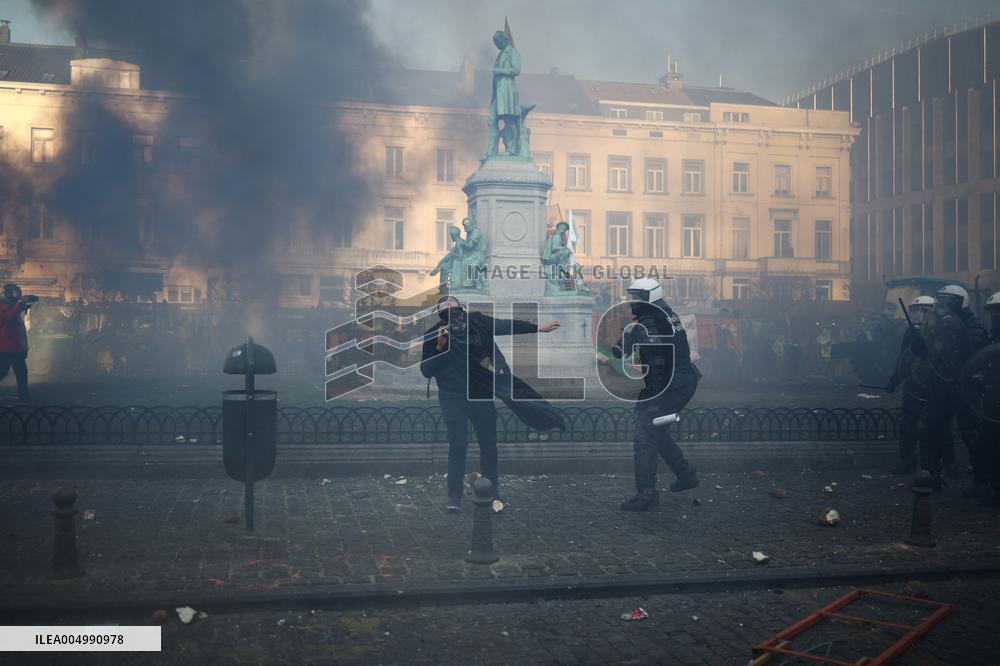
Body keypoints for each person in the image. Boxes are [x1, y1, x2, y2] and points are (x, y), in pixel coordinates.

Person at [420, 295, 561, 511]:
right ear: (440, 315)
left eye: (453, 305)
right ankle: (454, 496)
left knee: (488, 445)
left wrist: (538, 328)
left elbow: (504, 325)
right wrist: (440, 348)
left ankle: (492, 490)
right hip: (452, 397)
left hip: (480, 394)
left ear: (462, 308)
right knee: (458, 445)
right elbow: (427, 371)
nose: (450, 309)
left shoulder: (477, 323)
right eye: (444, 308)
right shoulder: (434, 334)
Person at [613, 278, 701, 511]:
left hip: (670, 385)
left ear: (649, 296)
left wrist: (652, 399)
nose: (631, 301)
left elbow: (656, 356)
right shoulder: (661, 314)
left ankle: (647, 495)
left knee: (645, 434)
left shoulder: (652, 320)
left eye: (636, 296)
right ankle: (686, 474)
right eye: (631, 295)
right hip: (681, 382)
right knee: (657, 432)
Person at [914, 285, 988, 490]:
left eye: (949, 301)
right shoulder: (940, 325)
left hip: (965, 386)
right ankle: (930, 477)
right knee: (930, 429)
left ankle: (983, 481)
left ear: (960, 302)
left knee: (971, 433)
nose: (944, 305)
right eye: (942, 300)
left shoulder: (973, 326)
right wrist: (920, 347)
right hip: (943, 385)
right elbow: (935, 353)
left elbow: (969, 350)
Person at [885, 296, 935, 475]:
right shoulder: (911, 332)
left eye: (922, 310)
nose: (917, 314)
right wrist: (894, 381)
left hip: (935, 386)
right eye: (914, 309)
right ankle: (907, 461)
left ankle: (943, 463)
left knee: (937, 426)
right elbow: (904, 360)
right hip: (914, 386)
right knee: (907, 424)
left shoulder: (940, 330)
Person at [0, 283, 38, 402]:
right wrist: (21, 304)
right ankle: (24, 396)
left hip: (16, 348)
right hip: (5, 349)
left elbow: (18, 309)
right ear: (8, 293)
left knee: (22, 373)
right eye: (15, 292)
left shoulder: (12, 304)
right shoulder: (2, 304)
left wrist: (29, 301)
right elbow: (8, 317)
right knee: (2, 372)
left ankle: (24, 397)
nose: (18, 294)